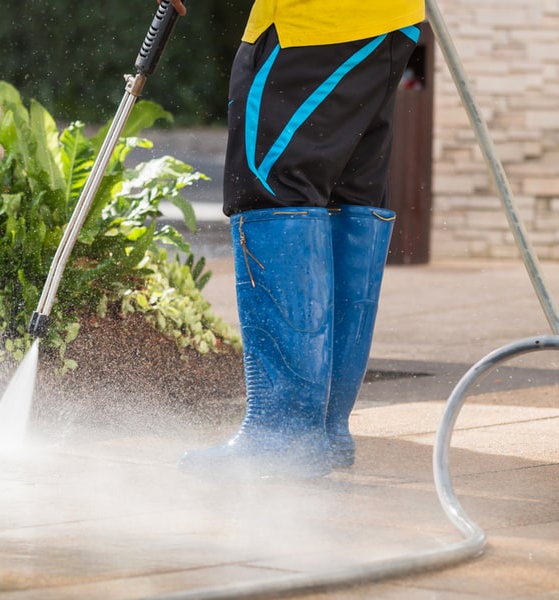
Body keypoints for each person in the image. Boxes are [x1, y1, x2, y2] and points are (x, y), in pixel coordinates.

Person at [163, 0, 425, 478]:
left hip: (314, 27)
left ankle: (283, 435)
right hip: (386, 23)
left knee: (272, 189)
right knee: (347, 199)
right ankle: (321, 432)